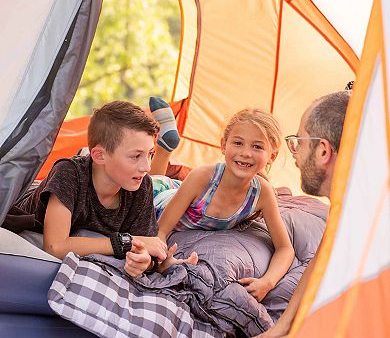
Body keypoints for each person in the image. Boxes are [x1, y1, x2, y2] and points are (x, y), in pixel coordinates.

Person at [8, 98, 185, 277]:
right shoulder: (68, 173)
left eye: (150, 155)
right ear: (99, 155)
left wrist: (144, 261)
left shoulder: (141, 186)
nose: (146, 167)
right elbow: (55, 247)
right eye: (136, 156)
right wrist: (126, 242)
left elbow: (146, 246)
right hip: (28, 204)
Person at [157, 108, 295, 302]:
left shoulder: (262, 193)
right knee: (147, 185)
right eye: (238, 143)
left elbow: (285, 249)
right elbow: (160, 231)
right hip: (160, 201)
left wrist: (267, 282)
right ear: (223, 145)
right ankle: (164, 146)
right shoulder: (202, 177)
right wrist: (164, 260)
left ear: (272, 156)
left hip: (182, 197)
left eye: (257, 147)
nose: (246, 153)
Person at [255, 90, 351, 337]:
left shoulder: (370, 219)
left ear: (322, 151)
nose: (295, 154)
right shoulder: (344, 208)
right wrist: (283, 327)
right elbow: (317, 262)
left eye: (299, 142)